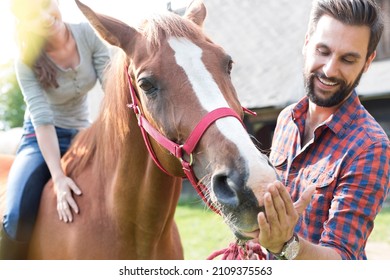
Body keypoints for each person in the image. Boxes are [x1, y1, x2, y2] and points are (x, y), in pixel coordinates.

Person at [255, 0, 390, 260]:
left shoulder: (370, 146)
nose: (330, 70)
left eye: (348, 59)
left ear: (367, 62)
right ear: (307, 43)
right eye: (323, 51)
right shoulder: (285, 120)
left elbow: (342, 258)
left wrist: (284, 245)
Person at [0, 0, 110, 259]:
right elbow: (42, 120)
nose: (45, 17)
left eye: (46, 6)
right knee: (16, 214)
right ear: (25, 25)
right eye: (33, 16)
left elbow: (112, 90)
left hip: (83, 134)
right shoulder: (26, 61)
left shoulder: (87, 34)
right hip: (39, 140)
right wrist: (59, 178)